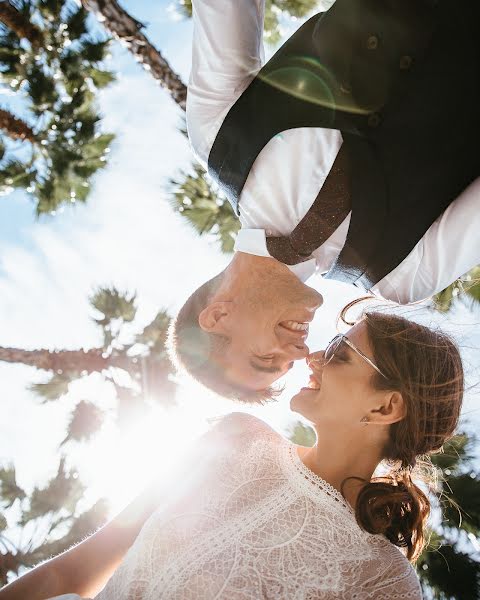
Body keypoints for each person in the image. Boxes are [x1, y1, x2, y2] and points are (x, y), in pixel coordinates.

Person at [0, 303, 464, 599]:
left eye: (340, 353)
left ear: (385, 406)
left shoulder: (382, 580)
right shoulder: (235, 436)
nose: (312, 357)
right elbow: (73, 573)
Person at [169, 0, 480, 399]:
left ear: (217, 316)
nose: (300, 353)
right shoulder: (401, 276)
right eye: (287, 368)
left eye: (266, 360)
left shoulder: (217, 137)